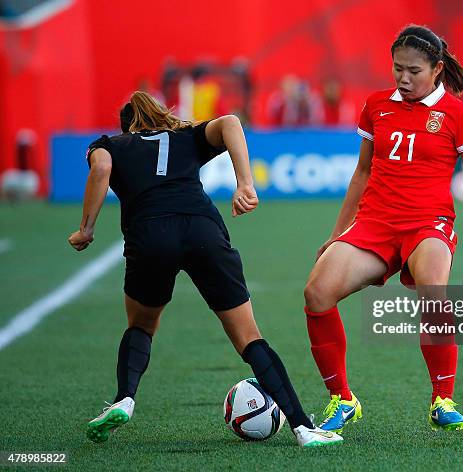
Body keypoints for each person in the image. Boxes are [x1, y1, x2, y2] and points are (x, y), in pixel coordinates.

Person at [68, 91, 342, 447]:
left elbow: (101, 169)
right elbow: (231, 122)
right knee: (249, 338)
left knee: (141, 326)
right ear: (160, 117)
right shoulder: (185, 135)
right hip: (202, 230)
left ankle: (124, 400)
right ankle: (304, 428)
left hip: (150, 235)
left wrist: (86, 228)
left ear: (127, 127)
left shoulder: (110, 144)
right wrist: (245, 183)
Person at [303, 25, 463, 433]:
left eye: (414, 71)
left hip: (429, 224)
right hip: (375, 222)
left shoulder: (458, 114)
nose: (404, 79)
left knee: (434, 293)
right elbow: (362, 173)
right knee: (317, 293)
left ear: (438, 69)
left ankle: (442, 398)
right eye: (397, 69)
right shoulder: (376, 105)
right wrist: (337, 234)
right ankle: (342, 398)